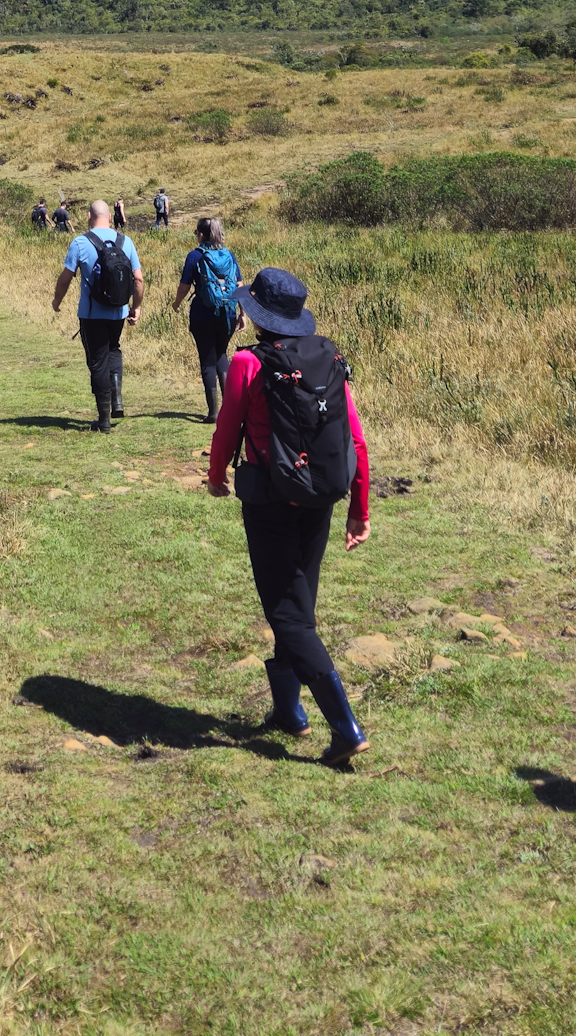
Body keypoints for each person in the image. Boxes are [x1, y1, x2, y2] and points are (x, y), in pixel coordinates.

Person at [208, 267, 371, 766]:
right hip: (320, 498)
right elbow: (355, 440)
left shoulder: (246, 363)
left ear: (256, 317)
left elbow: (227, 427)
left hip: (269, 500)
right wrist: (359, 510)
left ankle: (345, 728)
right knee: (297, 607)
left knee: (287, 614)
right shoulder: (327, 358)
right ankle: (288, 713)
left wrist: (217, 476)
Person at [52, 199, 143, 433]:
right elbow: (138, 279)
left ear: (88, 216)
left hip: (91, 314)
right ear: (109, 218)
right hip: (119, 312)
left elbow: (65, 277)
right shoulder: (126, 241)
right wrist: (137, 307)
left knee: (97, 361)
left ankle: (103, 420)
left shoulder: (81, 242)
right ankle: (117, 401)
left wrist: (57, 301)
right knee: (113, 349)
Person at [171, 216, 243, 421]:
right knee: (222, 355)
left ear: (201, 235)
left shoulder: (195, 256)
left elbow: (184, 286)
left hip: (203, 314)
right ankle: (231, 410)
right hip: (227, 314)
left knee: (208, 361)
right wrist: (242, 314)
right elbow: (239, 286)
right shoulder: (229, 255)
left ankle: (213, 412)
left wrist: (176, 304)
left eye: (196, 233)